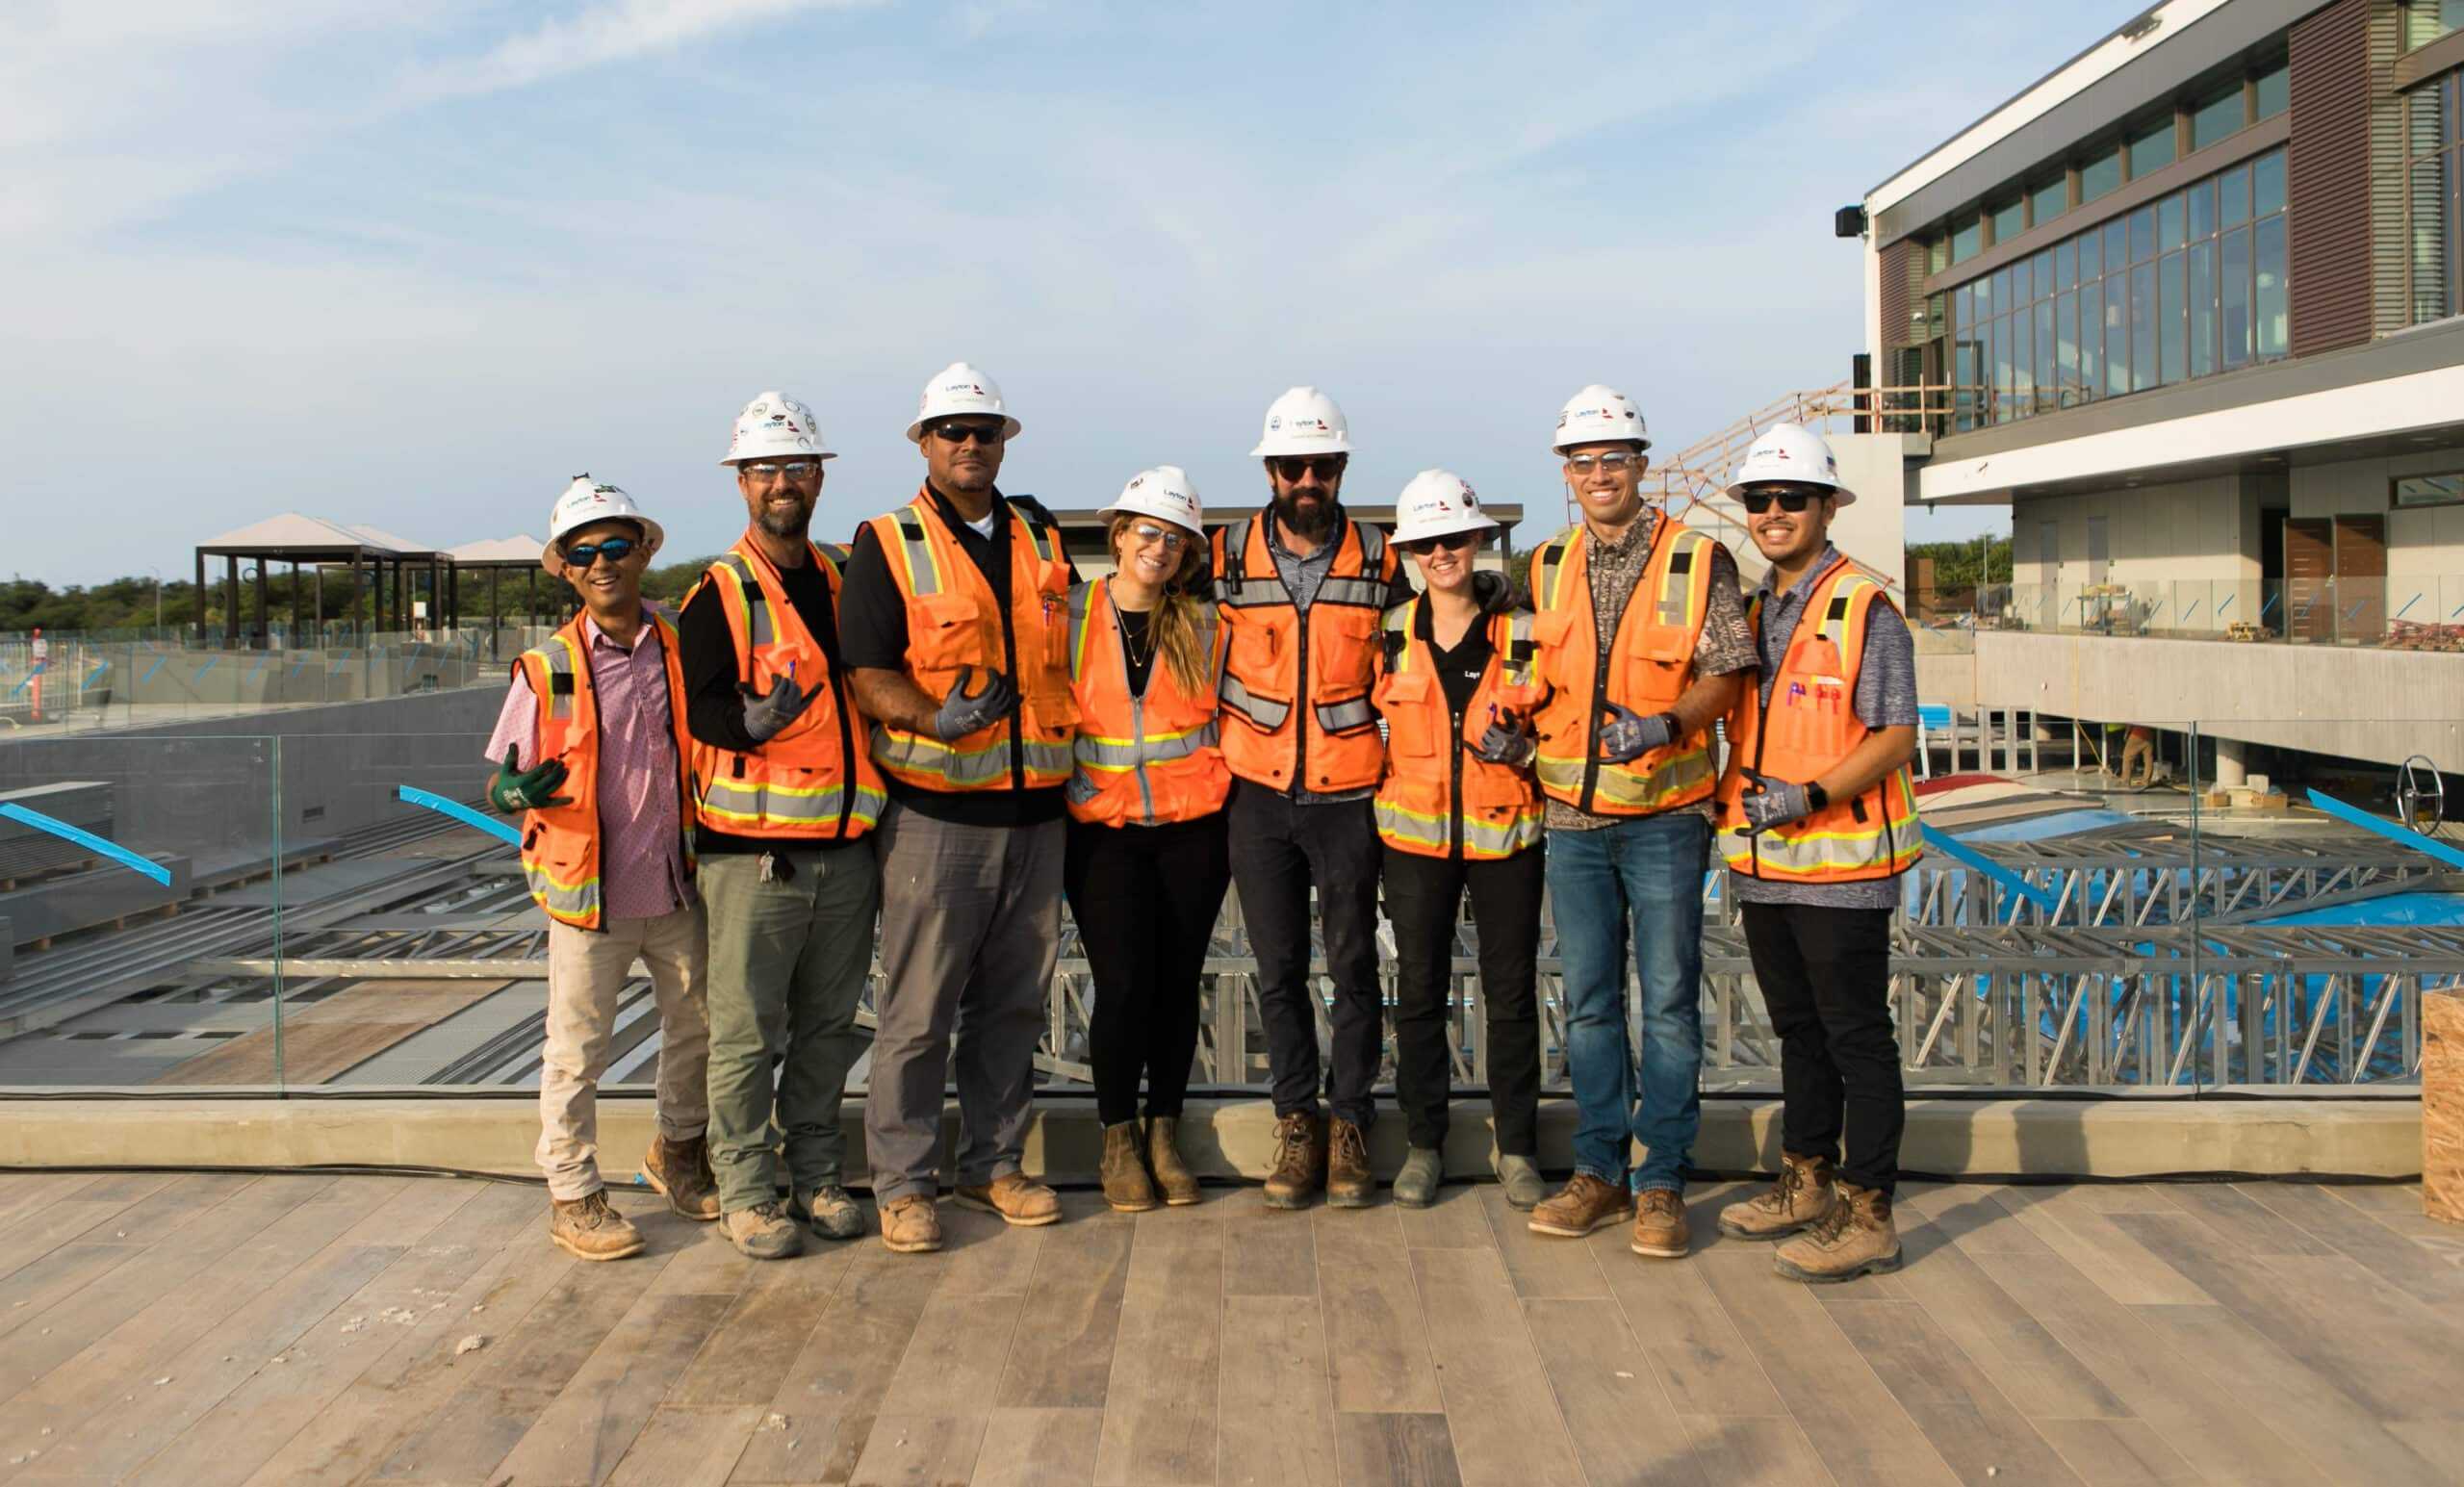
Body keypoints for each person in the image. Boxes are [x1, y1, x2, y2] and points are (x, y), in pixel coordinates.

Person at [842, 361, 1076, 1254]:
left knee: (1013, 1007)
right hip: (936, 819)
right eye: (952, 431)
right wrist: (933, 718)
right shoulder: (887, 541)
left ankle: (992, 1164)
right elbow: (868, 673)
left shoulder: (1040, 535)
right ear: (925, 443)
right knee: (917, 1013)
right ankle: (903, 1183)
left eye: (984, 430)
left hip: (1037, 816)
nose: (969, 444)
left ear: (1003, 441)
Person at [1523, 385, 1756, 1259]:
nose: (1598, 475)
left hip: (1665, 816)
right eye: (1583, 462)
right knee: (1587, 1005)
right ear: (1566, 472)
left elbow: (1726, 670)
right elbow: (1543, 676)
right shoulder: (1547, 563)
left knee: (1666, 1004)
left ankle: (1661, 1178)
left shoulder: (1697, 558)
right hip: (1572, 819)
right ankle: (1599, 1170)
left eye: (1613, 459)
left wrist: (1667, 724)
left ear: (1641, 464)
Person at [1708, 423, 1922, 1283]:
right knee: (1798, 1030)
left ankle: (1869, 1214)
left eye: (1791, 498)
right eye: (1759, 500)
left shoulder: (1864, 608)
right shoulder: (1753, 611)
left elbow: (1896, 735)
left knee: (1856, 1037)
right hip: (1766, 865)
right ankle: (1806, 1178)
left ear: (1827, 506)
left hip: (1842, 865)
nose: (1773, 512)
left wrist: (1812, 796)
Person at [679, 392, 888, 1261]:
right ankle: (746, 1190)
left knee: (829, 1028)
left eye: (796, 467)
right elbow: (700, 709)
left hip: (844, 854)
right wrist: (749, 723)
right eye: (765, 469)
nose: (781, 484)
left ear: (819, 477)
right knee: (745, 1035)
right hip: (755, 861)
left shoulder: (843, 582)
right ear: (742, 482)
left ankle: (816, 1175)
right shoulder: (718, 593)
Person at [484, 476, 714, 1261]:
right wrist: (513, 791)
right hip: (592, 897)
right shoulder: (546, 667)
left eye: (616, 545)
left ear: (643, 551)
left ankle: (678, 1153)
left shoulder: (681, 641)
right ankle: (573, 1191)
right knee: (577, 1049)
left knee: (698, 1029)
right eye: (583, 553)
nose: (602, 563)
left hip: (676, 885)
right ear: (567, 570)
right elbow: (505, 777)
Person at [1213, 387, 1415, 1210]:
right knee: (1279, 970)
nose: (1308, 480)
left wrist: (1492, 590)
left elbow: (1426, 644)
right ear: (1269, 470)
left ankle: (1351, 1122)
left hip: (1349, 793)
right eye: (1293, 466)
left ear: (1341, 469)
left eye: (1323, 466)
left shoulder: (1381, 559)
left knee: (1355, 965)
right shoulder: (1224, 555)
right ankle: (1297, 1120)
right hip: (1258, 796)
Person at [1370, 471, 1550, 1210]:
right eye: (1426, 543)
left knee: (1510, 994)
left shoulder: (1523, 631)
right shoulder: (1389, 633)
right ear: (1409, 552)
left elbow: (1561, 724)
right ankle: (1424, 1144)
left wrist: (1530, 753)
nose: (1441, 554)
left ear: (1476, 538)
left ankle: (1519, 1148)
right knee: (1419, 992)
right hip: (1413, 844)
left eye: (1452, 538)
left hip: (1507, 841)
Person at [1064, 467, 1232, 1212]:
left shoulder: (1205, 624)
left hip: (1193, 828)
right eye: (1146, 531)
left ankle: (1165, 1133)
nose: (1157, 548)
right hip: (1102, 830)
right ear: (1120, 534)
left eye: (1173, 539)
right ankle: (1118, 1136)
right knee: (1124, 984)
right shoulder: (1070, 614)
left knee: (1176, 984)